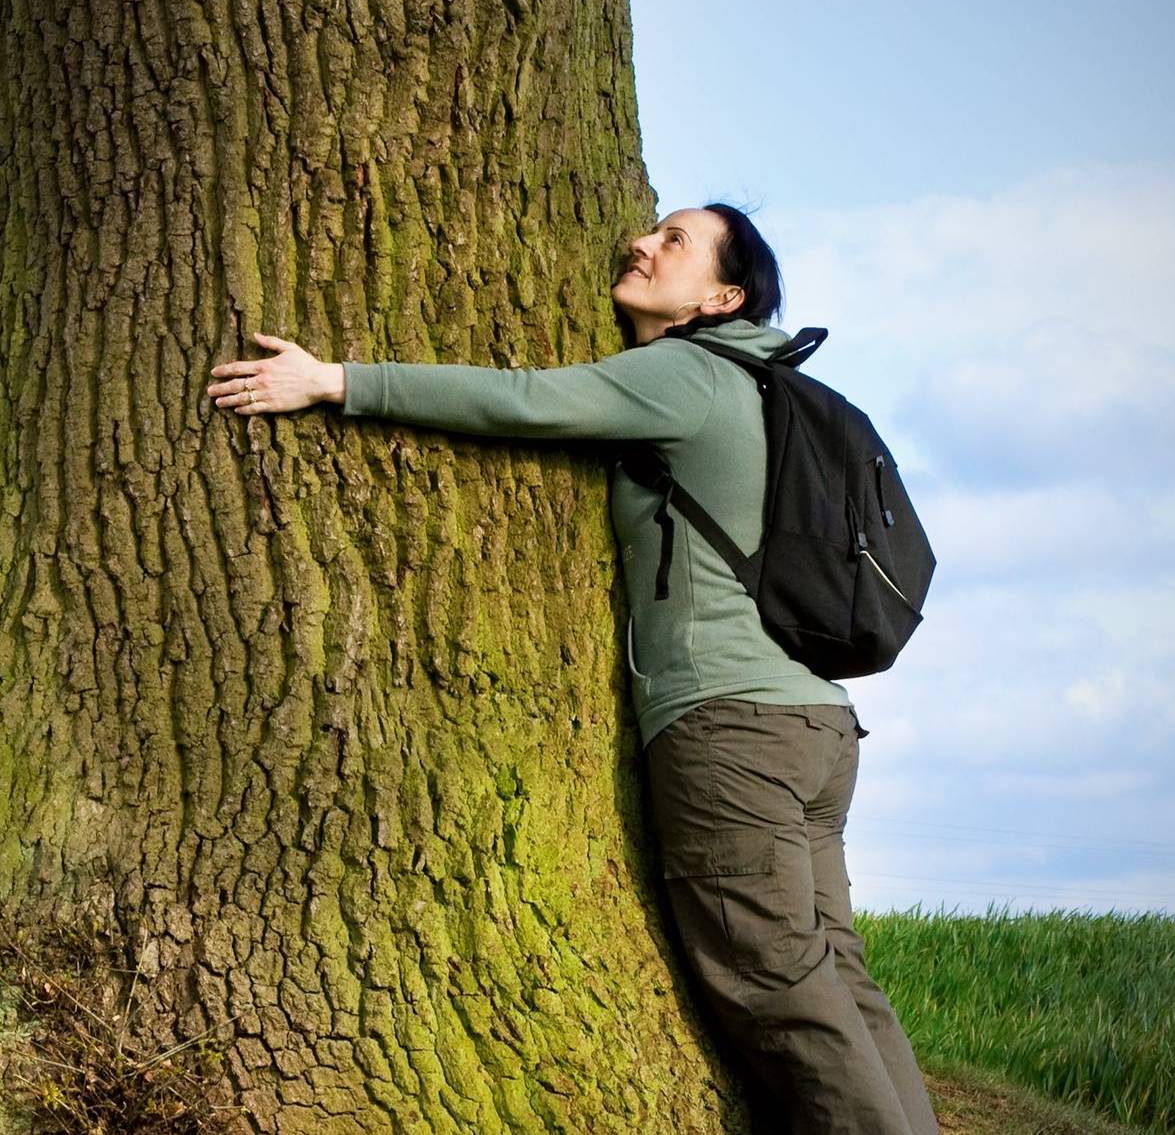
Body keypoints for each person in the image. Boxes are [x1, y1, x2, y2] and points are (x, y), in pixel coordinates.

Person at [205, 203, 938, 1135]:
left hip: (731, 724)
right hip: (815, 727)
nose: (640, 243)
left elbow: (523, 401)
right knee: (833, 969)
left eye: (673, 241)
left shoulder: (685, 373)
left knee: (776, 981)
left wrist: (336, 381)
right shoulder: (761, 385)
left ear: (723, 294)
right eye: (650, 230)